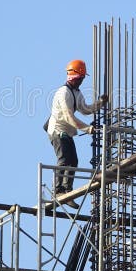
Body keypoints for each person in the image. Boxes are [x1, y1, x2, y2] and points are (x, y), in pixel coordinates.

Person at [46, 59, 107, 202]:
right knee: (64, 160)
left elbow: (85, 109)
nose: (82, 81)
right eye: (81, 78)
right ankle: (58, 191)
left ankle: (67, 191)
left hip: (66, 133)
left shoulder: (76, 93)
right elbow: (69, 117)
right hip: (57, 131)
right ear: (74, 77)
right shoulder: (63, 93)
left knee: (73, 161)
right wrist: (88, 128)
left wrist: (101, 103)